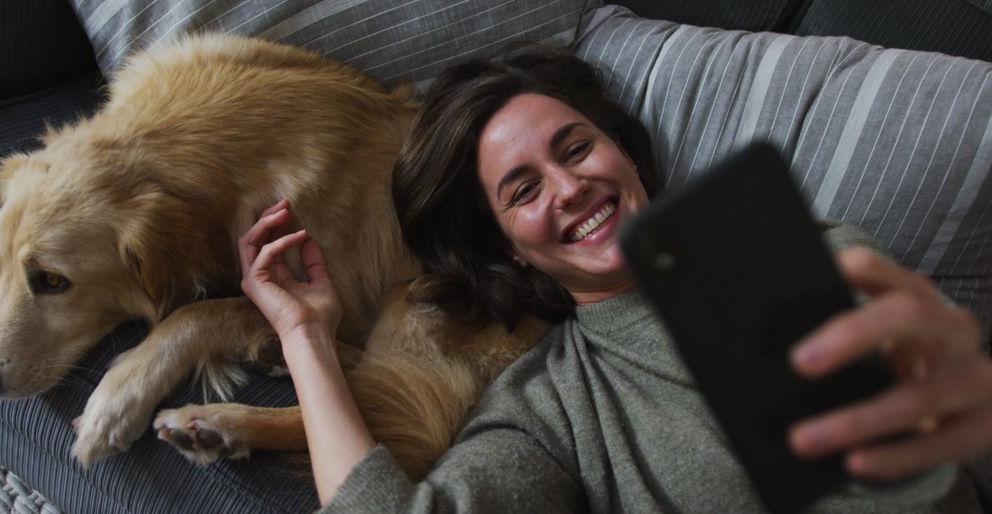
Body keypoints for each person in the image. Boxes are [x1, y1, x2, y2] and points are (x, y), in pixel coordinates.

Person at [238, 48, 992, 512]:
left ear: (625, 154)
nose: (569, 188)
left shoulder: (808, 251)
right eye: (524, 190)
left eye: (576, 149)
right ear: (509, 250)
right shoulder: (551, 406)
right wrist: (305, 335)